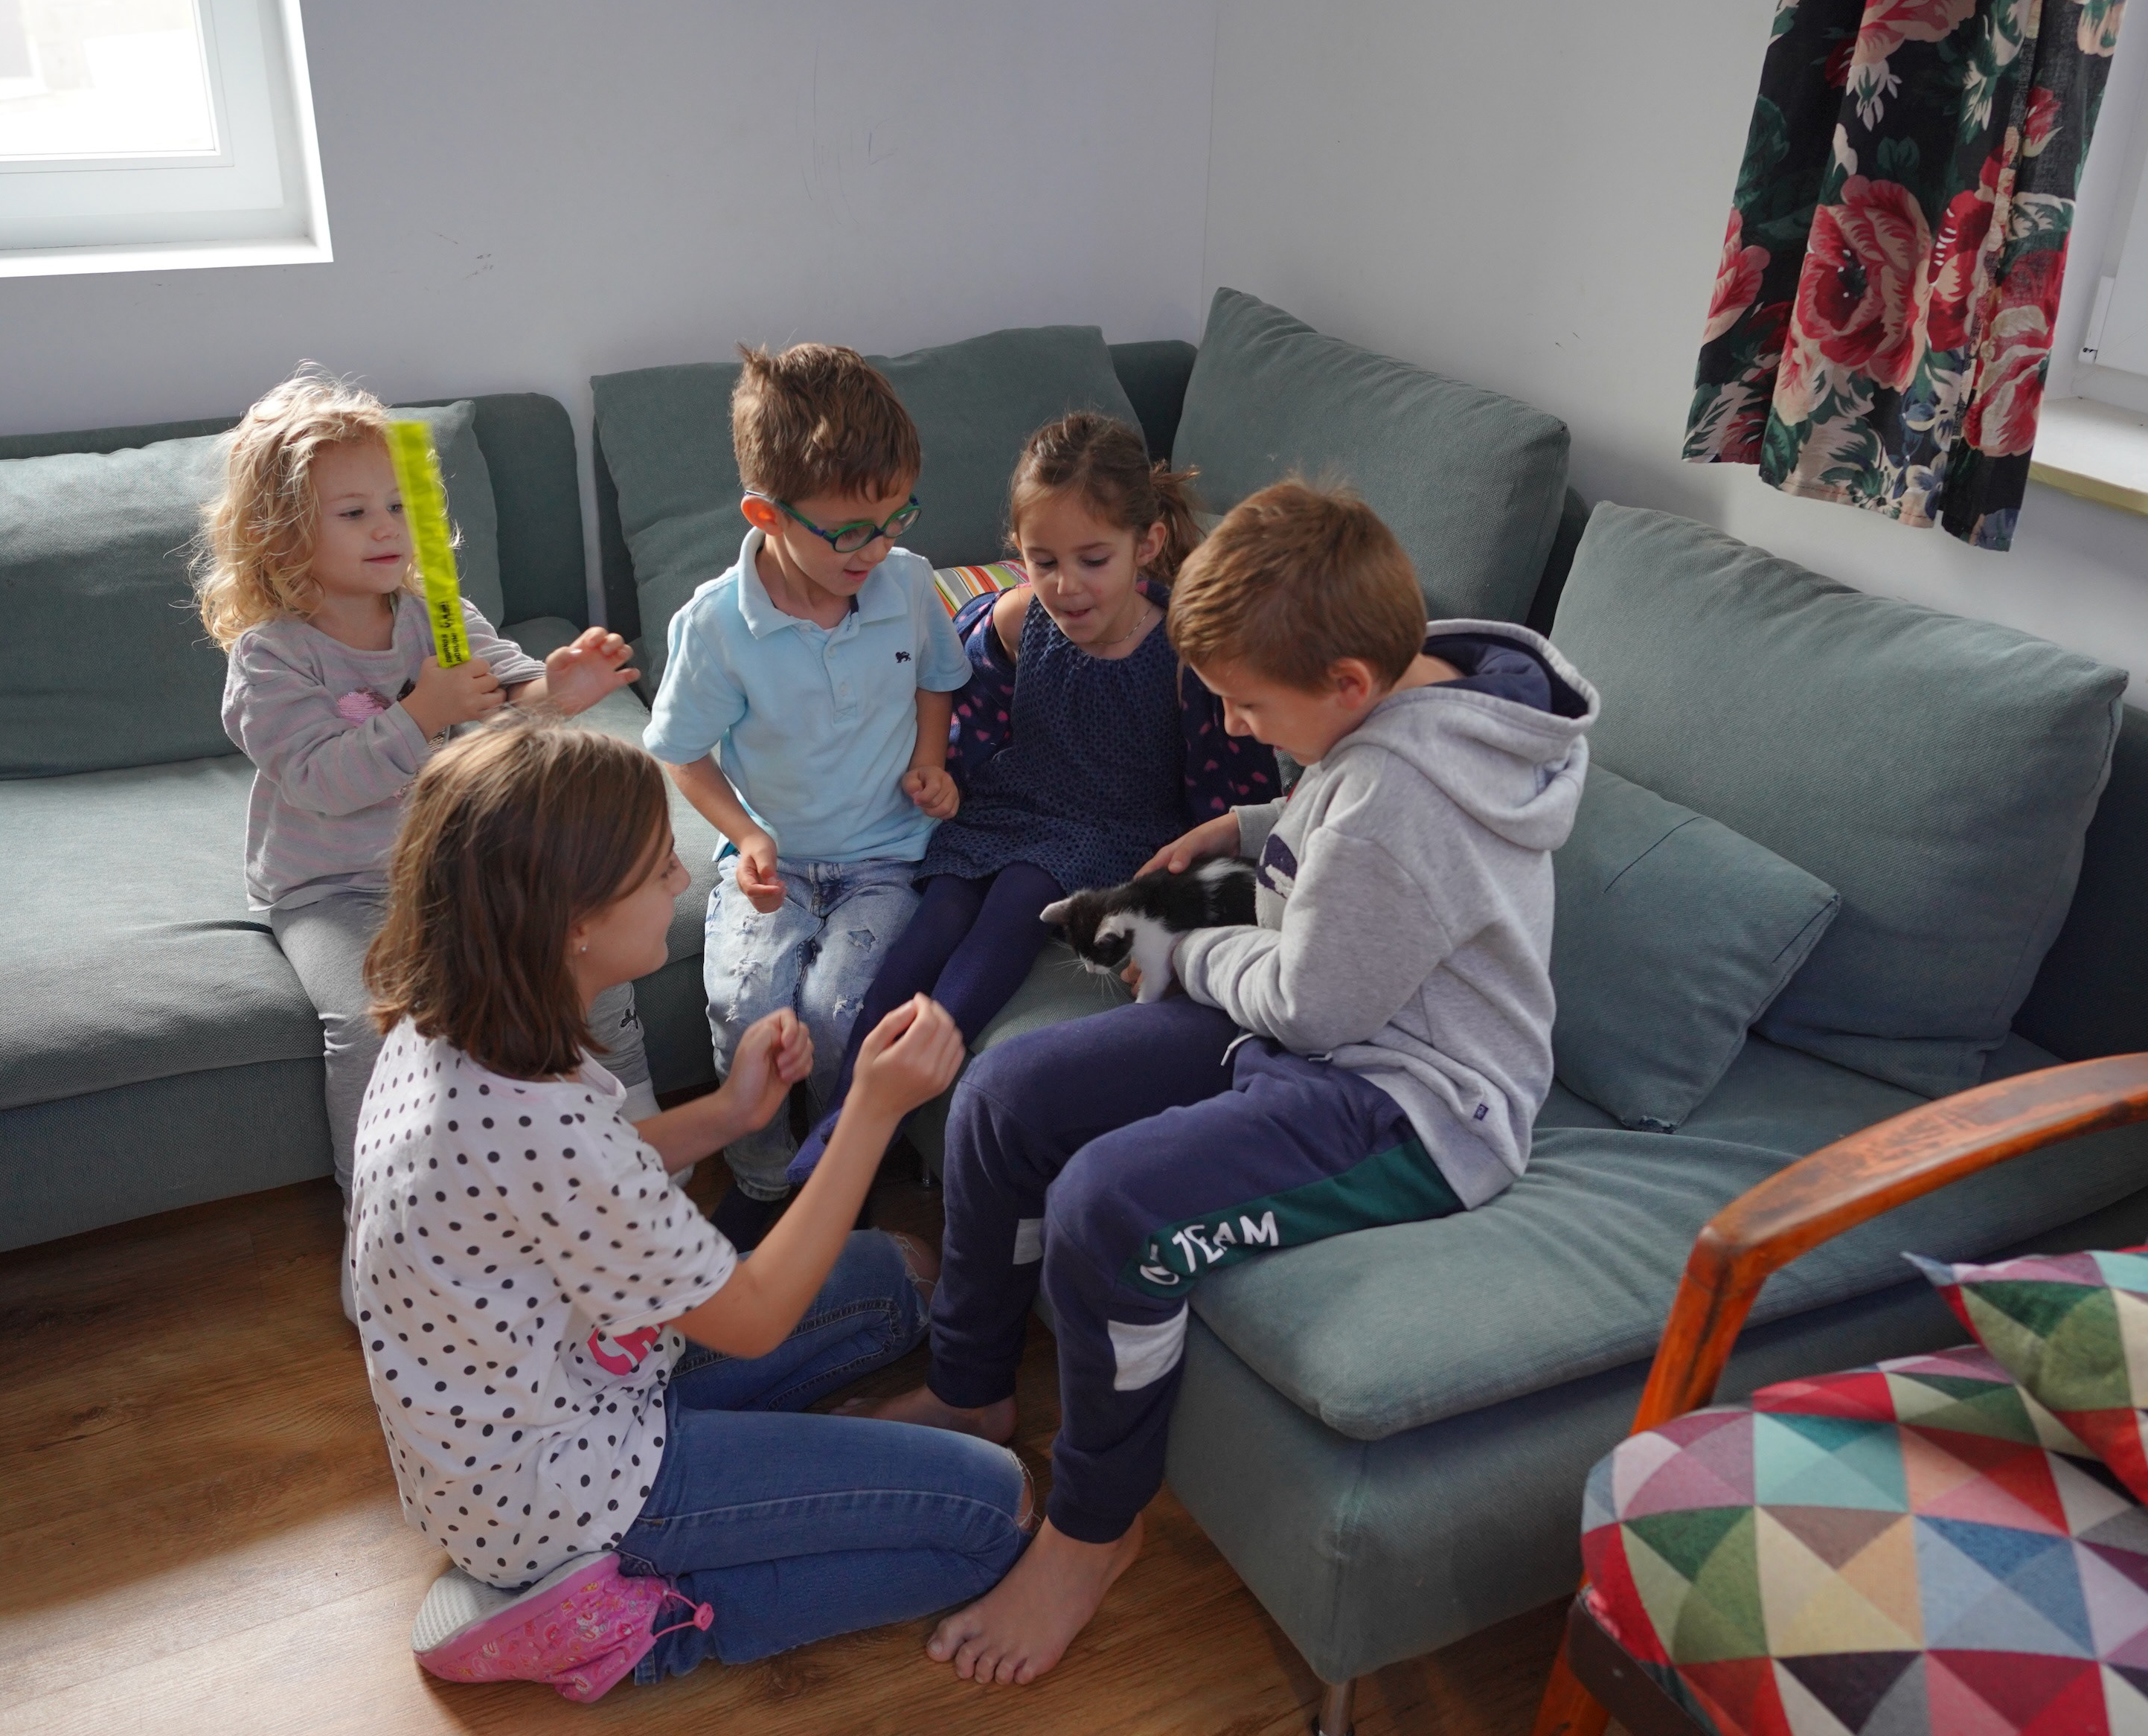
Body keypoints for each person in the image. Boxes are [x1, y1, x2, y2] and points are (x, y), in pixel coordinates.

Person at [857, 480, 1600, 1686]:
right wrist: (1249, 829)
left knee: (1110, 1206)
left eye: (1250, 708)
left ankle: (1095, 1528)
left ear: (1347, 685)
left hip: (1411, 1100)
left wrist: (1178, 942)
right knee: (1002, 1099)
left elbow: (1313, 999)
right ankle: (971, 1386)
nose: (1237, 725)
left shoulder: (1400, 800)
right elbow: (1336, 820)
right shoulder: (1414, 690)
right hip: (1328, 1012)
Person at [357, 712, 1031, 1703]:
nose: (680, 879)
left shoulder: (451, 1028)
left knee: (899, 1278)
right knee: (997, 1517)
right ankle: (634, 1626)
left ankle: (700, 1517)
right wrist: (872, 1110)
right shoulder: (541, 1121)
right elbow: (751, 1319)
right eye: (653, 869)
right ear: (572, 921)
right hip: (565, 1489)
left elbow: (574, 1188)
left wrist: (728, 1114)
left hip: (565, 1402)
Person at [783, 412, 1279, 1182]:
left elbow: (1230, 791)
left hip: (1112, 828)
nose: (1066, 586)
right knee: (936, 916)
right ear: (1018, 553)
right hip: (1013, 808)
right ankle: (840, 1121)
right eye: (1043, 561)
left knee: (1020, 894)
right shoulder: (1017, 620)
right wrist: (939, 778)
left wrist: (1189, 888)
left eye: (1093, 560)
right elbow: (964, 717)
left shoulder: (1184, 652)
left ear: (1146, 545)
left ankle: (865, 1135)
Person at [200, 365, 644, 1197]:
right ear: (280, 534)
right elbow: (320, 779)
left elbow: (507, 704)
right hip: (333, 888)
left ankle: (631, 1151)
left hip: (462, 865)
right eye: (354, 513)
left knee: (582, 962)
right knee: (374, 1024)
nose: (387, 527)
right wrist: (421, 712)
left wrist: (558, 691)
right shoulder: (272, 656)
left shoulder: (438, 615)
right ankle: (378, 1206)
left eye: (401, 505)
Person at [642, 344, 972, 1246]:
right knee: (748, 1003)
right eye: (849, 531)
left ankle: (837, 1169)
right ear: (766, 514)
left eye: (894, 518)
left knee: (839, 1011)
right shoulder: (717, 624)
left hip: (887, 858)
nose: (877, 547)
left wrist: (932, 761)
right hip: (774, 862)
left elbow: (937, 678)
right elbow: (682, 753)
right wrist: (747, 835)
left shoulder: (908, 584)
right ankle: (760, 1175)